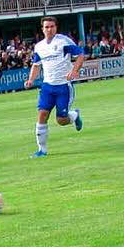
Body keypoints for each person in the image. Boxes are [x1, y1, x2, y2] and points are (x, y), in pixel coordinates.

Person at [24, 16, 84, 157]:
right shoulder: (39, 46)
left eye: (52, 26)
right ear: (42, 29)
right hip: (47, 87)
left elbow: (80, 54)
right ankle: (42, 150)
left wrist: (74, 70)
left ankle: (74, 115)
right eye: (46, 27)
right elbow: (36, 65)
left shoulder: (63, 41)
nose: (49, 29)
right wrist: (31, 80)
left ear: (56, 28)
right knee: (42, 115)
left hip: (63, 86)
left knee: (61, 120)